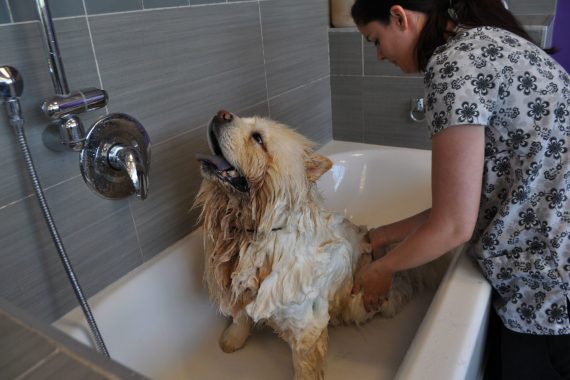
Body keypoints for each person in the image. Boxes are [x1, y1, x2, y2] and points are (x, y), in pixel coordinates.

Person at [349, 0, 570, 378]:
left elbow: (453, 226)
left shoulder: (454, 65)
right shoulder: (490, 42)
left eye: (374, 40)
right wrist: (381, 237)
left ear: (399, 17)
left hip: (548, 284)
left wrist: (379, 271)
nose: (380, 54)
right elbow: (464, 202)